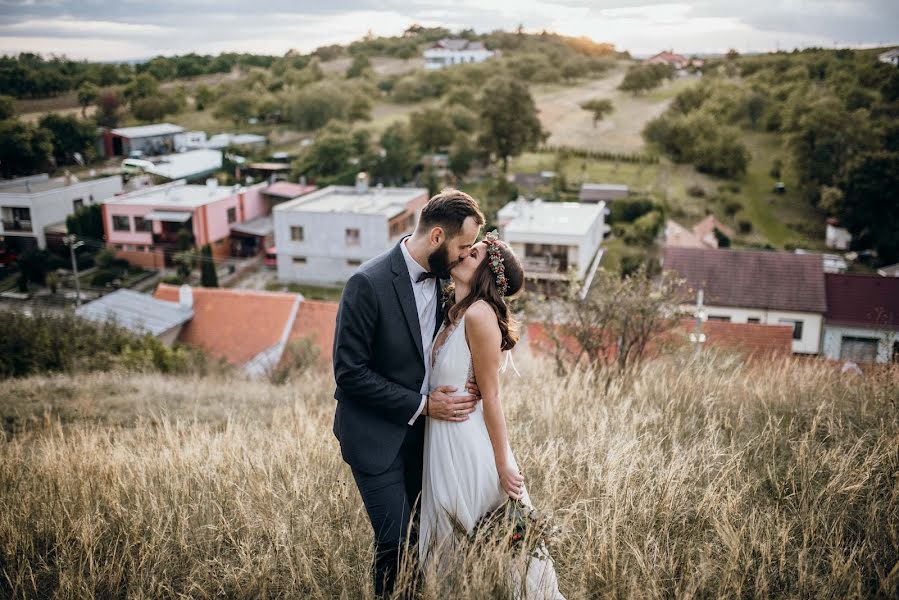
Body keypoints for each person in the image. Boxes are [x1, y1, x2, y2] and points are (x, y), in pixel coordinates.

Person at [332, 189, 485, 596]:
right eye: (462, 246)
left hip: (425, 440)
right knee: (395, 544)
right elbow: (349, 373)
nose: (464, 256)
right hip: (373, 436)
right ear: (437, 237)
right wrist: (423, 405)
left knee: (422, 535)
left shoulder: (446, 281)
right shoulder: (367, 283)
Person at [419, 230, 565, 599]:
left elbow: (492, 396)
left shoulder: (481, 315)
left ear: (486, 271)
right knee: (450, 543)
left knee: (483, 540)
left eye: (475, 252)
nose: (465, 252)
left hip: (469, 447)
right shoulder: (455, 311)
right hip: (442, 439)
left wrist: (503, 464)